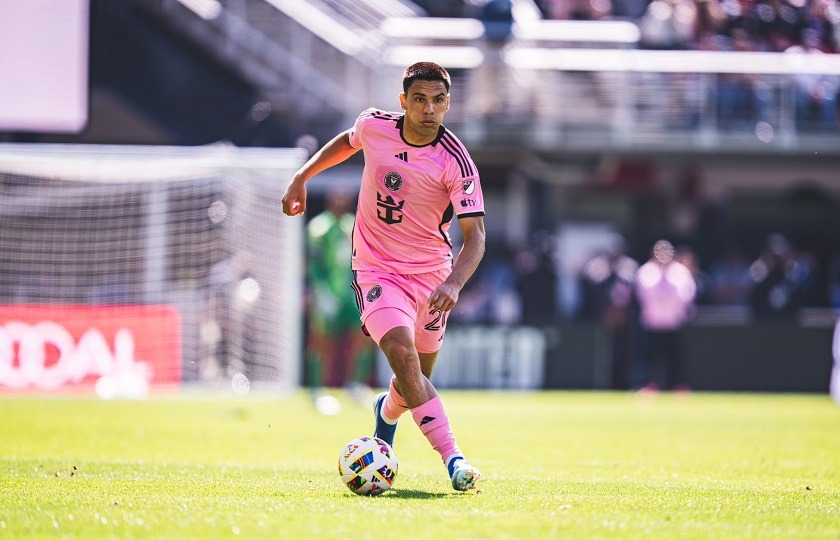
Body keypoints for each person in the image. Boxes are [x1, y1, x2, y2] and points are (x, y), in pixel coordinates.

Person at [281, 62, 486, 491]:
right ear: (403, 102)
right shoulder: (375, 126)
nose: (429, 109)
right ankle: (454, 460)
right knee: (401, 352)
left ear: (448, 102)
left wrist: (452, 284)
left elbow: (476, 238)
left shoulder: (457, 162)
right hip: (375, 268)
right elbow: (347, 142)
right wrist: (303, 176)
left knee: (414, 381)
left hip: (431, 276)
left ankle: (385, 416)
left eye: (438, 100)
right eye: (420, 99)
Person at [305, 189, 376, 415]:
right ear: (329, 200)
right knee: (321, 341)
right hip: (328, 292)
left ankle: (355, 384)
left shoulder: (352, 225)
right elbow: (312, 262)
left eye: (344, 198)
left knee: (364, 336)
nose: (341, 200)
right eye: (337, 197)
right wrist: (320, 290)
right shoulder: (318, 228)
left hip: (352, 294)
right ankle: (317, 390)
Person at [635, 239, 697, 392]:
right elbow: (643, 296)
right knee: (650, 357)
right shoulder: (646, 271)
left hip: (674, 323)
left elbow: (687, 296)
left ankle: (679, 385)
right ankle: (649, 385)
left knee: (675, 357)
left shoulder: (680, 272)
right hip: (652, 323)